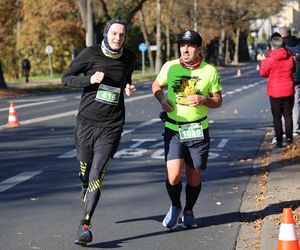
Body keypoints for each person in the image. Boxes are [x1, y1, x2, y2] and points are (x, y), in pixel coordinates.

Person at [62, 19, 136, 246]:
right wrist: (89, 79)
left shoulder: (129, 57)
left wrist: (129, 88)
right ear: (106, 34)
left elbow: (126, 80)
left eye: (121, 35)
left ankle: (85, 224)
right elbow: (65, 78)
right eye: (114, 34)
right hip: (86, 123)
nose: (117, 38)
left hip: (112, 126)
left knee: (98, 173)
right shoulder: (90, 54)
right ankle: (83, 181)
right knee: (85, 169)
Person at [152, 30, 222, 229]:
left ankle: (189, 209)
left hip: (198, 130)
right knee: (173, 176)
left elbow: (218, 101)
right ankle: (175, 206)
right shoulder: (170, 66)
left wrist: (203, 100)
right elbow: (156, 84)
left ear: (199, 49)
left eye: (190, 45)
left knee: (195, 175)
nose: (185, 49)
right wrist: (162, 99)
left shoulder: (210, 71)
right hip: (174, 129)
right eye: (182, 45)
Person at [260, 35, 295, 148]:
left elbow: (263, 73)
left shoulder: (269, 59)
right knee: (288, 115)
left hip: (275, 91)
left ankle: (279, 141)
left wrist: (263, 61)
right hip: (288, 90)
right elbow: (293, 69)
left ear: (272, 46)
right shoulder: (289, 57)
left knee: (277, 117)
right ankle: (289, 138)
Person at [279, 26, 300, 136]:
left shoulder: (280, 46)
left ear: (281, 35)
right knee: (296, 102)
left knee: (284, 105)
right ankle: (295, 128)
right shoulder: (298, 43)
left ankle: (285, 129)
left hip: (285, 78)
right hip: (298, 78)